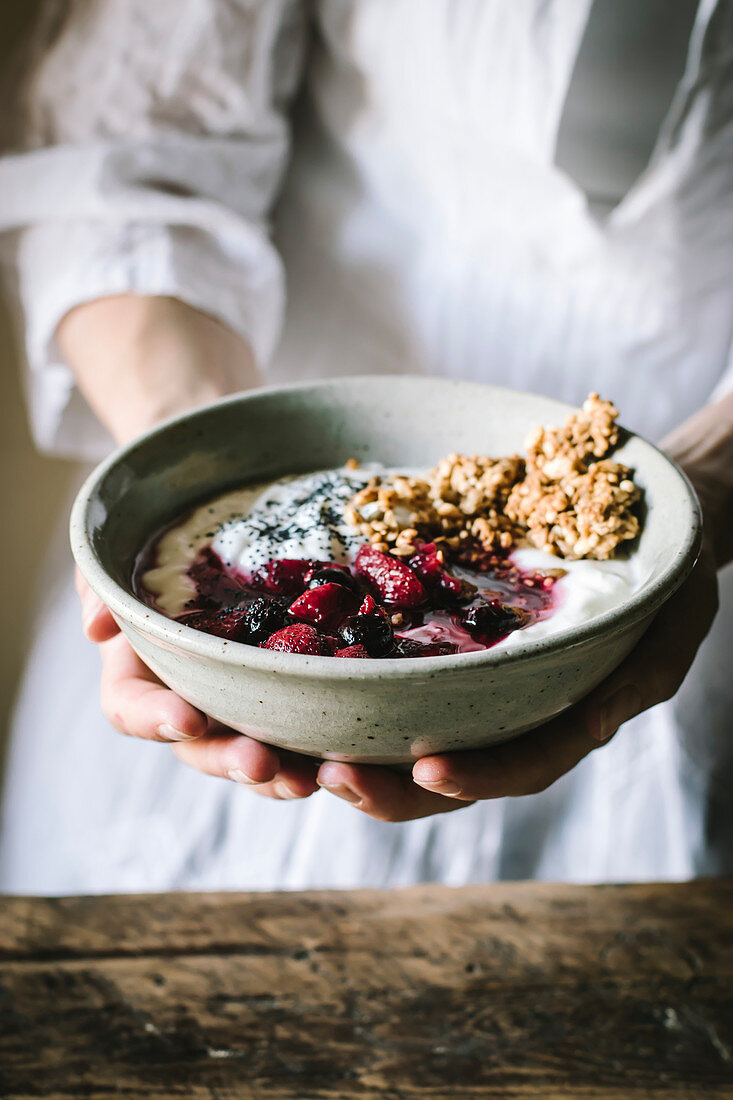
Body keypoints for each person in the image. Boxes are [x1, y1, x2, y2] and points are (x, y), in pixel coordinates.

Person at [0, 0, 731, 893]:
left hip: (661, 551)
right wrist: (192, 444)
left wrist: (699, 486)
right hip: (260, 421)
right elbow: (122, 150)